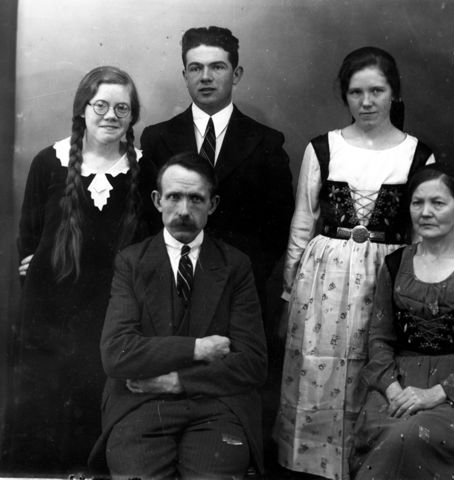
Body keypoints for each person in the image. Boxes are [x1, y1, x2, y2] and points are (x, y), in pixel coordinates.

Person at [275, 46, 434, 480]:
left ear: (393, 93)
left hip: (387, 274)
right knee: (319, 366)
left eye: (376, 91)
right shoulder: (323, 148)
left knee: (376, 366)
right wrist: (289, 290)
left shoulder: (417, 154)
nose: (366, 102)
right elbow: (303, 221)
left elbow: (423, 232)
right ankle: (316, 467)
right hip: (324, 276)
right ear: (345, 96)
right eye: (356, 92)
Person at [1, 66, 158, 474]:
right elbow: (29, 237)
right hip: (52, 311)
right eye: (100, 105)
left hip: (115, 310)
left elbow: (153, 244)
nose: (110, 116)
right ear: (82, 109)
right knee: (47, 413)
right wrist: (39, 264)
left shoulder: (145, 168)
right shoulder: (49, 162)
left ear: (133, 115)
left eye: (122, 108)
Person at [87, 152, 268, 478]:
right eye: (174, 197)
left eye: (196, 199)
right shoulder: (131, 262)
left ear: (212, 204)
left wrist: (178, 382)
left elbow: (253, 362)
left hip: (217, 406)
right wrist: (197, 349)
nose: (184, 210)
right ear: (157, 201)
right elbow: (116, 353)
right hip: (141, 404)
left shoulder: (235, 265)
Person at [349, 164, 454, 480]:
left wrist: (436, 394)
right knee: (391, 431)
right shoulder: (394, 264)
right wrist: (393, 390)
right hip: (400, 385)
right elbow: (379, 339)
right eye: (417, 203)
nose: (426, 212)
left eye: (438, 203)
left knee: (409, 435)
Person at [140, 26, 294, 305]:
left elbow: (278, 225)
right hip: (169, 284)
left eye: (217, 67)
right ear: (185, 76)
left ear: (236, 74)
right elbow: (148, 217)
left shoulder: (266, 142)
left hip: (240, 288)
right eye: (196, 68)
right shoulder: (156, 138)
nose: (206, 77)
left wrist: (242, 274)